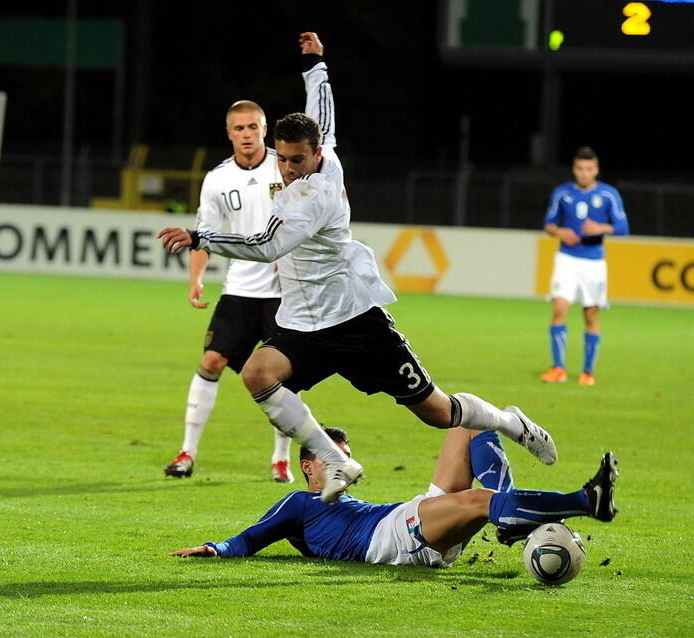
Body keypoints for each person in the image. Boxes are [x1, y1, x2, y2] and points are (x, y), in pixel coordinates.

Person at [159, 33, 558, 504]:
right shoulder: (321, 152)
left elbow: (267, 245)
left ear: (317, 156)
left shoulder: (314, 196)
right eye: (282, 159)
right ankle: (335, 460)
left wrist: (202, 237)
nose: (287, 169)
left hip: (355, 321)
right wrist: (316, 68)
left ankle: (512, 422)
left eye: (296, 160)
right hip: (307, 324)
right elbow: (324, 116)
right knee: (258, 374)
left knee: (437, 412)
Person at [170, 426, 618, 565]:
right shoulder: (299, 504)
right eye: (331, 457)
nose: (342, 464)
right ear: (307, 465)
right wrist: (214, 548)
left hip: (402, 517)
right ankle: (585, 501)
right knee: (482, 499)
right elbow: (253, 538)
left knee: (467, 424)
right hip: (389, 541)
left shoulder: (339, 499)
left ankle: (510, 518)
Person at [163, 101, 291, 482]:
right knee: (211, 361)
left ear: (265, 129)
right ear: (229, 133)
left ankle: (280, 459)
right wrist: (195, 279)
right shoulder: (217, 179)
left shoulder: (285, 166)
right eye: (240, 128)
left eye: (253, 126)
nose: (247, 134)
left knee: (283, 375)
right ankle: (187, 452)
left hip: (286, 291)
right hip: (240, 288)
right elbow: (204, 234)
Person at [540, 147, 629, 386]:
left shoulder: (609, 195)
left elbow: (622, 227)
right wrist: (561, 231)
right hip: (566, 259)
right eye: (580, 168)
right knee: (559, 308)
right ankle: (558, 368)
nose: (584, 173)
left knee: (590, 315)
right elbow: (549, 224)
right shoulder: (562, 193)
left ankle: (587, 372)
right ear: (574, 169)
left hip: (593, 262)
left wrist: (600, 228)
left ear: (596, 169)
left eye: (589, 169)